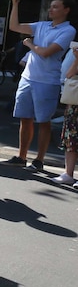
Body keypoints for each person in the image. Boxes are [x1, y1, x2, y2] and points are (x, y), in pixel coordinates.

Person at [1, 0, 76, 171]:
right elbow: (15, 26)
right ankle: (21, 156)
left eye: (55, 6)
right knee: (24, 119)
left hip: (47, 80)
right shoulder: (42, 25)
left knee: (44, 121)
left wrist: (29, 45)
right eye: (51, 6)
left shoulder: (68, 30)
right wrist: (15, 4)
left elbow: (46, 52)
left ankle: (39, 160)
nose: (51, 9)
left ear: (66, 10)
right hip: (28, 77)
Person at [53, 45, 78, 187]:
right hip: (74, 104)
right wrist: (76, 60)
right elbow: (68, 75)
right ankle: (68, 173)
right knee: (71, 138)